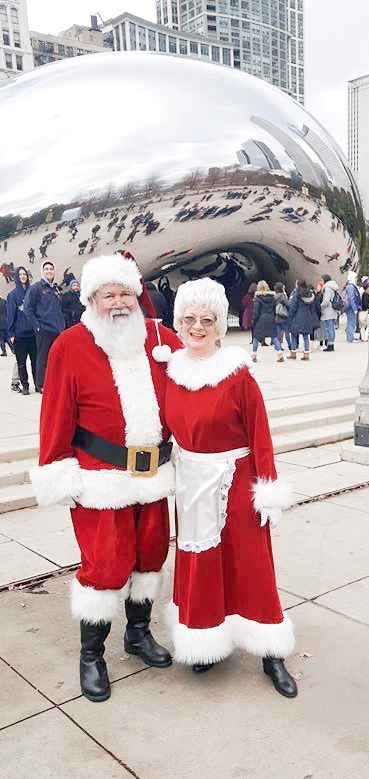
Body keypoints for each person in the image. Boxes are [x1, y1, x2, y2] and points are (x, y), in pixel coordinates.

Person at [29, 254, 180, 703]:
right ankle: (91, 656)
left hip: (153, 477)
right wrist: (58, 469)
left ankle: (137, 635)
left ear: (137, 295)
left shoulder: (158, 337)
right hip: (100, 481)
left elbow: (193, 377)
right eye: (107, 293)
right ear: (91, 299)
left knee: (150, 556)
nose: (117, 302)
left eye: (124, 293)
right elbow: (55, 414)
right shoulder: (70, 346)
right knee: (106, 566)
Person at [164, 277, 297, 698]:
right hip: (189, 485)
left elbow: (261, 434)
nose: (197, 327)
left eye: (206, 320)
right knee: (202, 565)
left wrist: (267, 488)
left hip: (236, 483)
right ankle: (205, 640)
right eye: (189, 319)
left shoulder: (238, 375)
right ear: (179, 323)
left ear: (220, 326)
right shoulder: (172, 372)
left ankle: (270, 651)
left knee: (251, 565)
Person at [23, 260, 65, 392]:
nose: (49, 271)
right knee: (43, 358)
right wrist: (37, 326)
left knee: (58, 359)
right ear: (42, 271)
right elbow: (27, 309)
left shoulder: (55, 289)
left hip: (58, 329)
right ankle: (41, 385)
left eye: (51, 269)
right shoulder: (36, 288)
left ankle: (55, 382)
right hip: (44, 330)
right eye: (46, 269)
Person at [6, 266, 36, 395]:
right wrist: (11, 333)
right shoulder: (12, 295)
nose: (23, 276)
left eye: (25, 274)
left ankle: (39, 384)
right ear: (17, 277)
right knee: (21, 363)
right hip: (20, 334)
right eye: (20, 274)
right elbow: (10, 315)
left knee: (36, 362)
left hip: (33, 333)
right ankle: (24, 385)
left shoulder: (33, 291)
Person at [251, 279, 283, 361]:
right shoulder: (272, 298)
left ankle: (254, 356)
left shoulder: (258, 299)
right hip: (271, 318)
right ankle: (280, 354)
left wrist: (253, 321)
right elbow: (274, 309)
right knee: (274, 337)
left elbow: (256, 311)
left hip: (261, 320)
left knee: (256, 338)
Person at [288, 280, 319, 360]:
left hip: (297, 317)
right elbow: (313, 307)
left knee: (294, 335)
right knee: (306, 337)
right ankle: (306, 355)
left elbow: (293, 307)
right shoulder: (310, 295)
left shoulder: (297, 294)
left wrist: (290, 317)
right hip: (307, 317)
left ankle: (293, 353)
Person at [319, 273, 340, 351]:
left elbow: (326, 301)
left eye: (321, 280)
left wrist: (320, 306)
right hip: (333, 310)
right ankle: (331, 343)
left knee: (329, 328)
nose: (321, 281)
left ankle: (330, 345)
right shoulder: (333, 287)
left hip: (328, 310)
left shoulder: (327, 288)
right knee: (331, 328)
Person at [343, 271, 361, 342]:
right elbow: (351, 298)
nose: (356, 279)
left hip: (350, 307)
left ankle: (350, 336)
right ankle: (350, 338)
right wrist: (355, 309)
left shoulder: (350, 286)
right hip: (351, 308)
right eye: (355, 278)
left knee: (351, 322)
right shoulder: (351, 287)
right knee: (351, 322)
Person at [273, 281, 291, 352]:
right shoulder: (283, 296)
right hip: (283, 317)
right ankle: (290, 345)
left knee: (277, 333)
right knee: (286, 332)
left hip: (276, 317)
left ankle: (278, 346)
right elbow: (288, 305)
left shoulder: (274, 297)